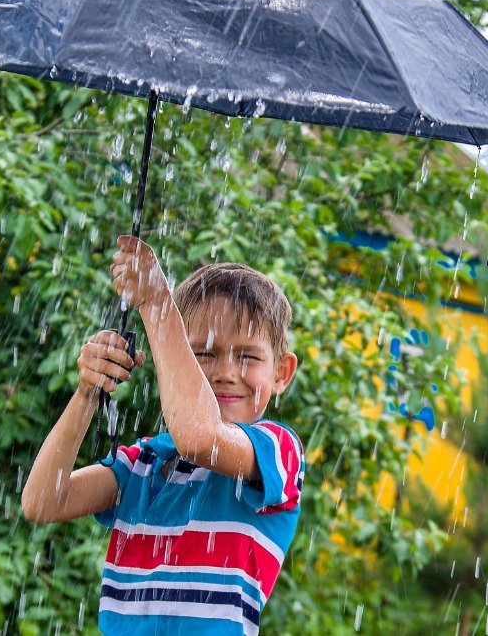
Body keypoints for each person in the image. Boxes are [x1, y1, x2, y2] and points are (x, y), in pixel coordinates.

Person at [21, 235, 303, 636]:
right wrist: (88, 391)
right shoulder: (144, 462)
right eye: (202, 353)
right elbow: (43, 502)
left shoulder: (278, 451)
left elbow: (200, 439)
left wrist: (156, 303)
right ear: (175, 359)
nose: (225, 370)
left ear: (282, 373)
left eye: (247, 356)